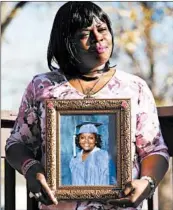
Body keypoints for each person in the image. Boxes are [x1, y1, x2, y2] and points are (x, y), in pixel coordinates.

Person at [5, 1, 169, 210]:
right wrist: (31, 168)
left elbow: (154, 149)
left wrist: (147, 183)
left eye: (102, 29)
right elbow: (16, 144)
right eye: (85, 33)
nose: (98, 37)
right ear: (66, 42)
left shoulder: (134, 87)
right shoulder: (42, 86)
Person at [70, 121, 116, 185]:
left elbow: (112, 180)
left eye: (90, 138)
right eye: (82, 138)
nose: (86, 141)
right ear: (78, 140)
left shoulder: (104, 156)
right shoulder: (75, 159)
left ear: (96, 140)